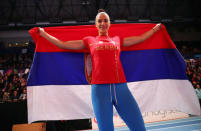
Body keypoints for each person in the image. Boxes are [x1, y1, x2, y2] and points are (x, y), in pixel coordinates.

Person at [38, 9, 161, 131]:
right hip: (100, 91)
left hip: (121, 88)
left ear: (109, 23)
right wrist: (44, 34)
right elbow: (63, 44)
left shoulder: (117, 40)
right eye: (100, 21)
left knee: (139, 127)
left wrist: (155, 29)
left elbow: (139, 39)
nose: (103, 23)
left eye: (105, 20)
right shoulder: (89, 41)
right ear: (96, 24)